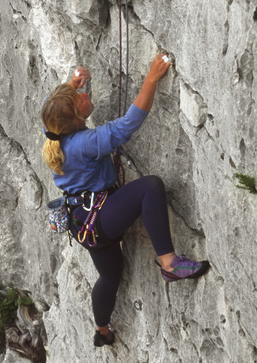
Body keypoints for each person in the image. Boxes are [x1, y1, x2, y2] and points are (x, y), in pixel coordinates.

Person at [40, 53, 210, 347]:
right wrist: (152, 78)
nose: (84, 95)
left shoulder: (54, 134)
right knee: (150, 187)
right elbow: (127, 125)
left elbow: (62, 114)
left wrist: (73, 82)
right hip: (101, 218)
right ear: (78, 117)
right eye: (80, 97)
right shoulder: (84, 143)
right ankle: (169, 263)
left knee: (110, 276)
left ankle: (101, 329)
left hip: (84, 225)